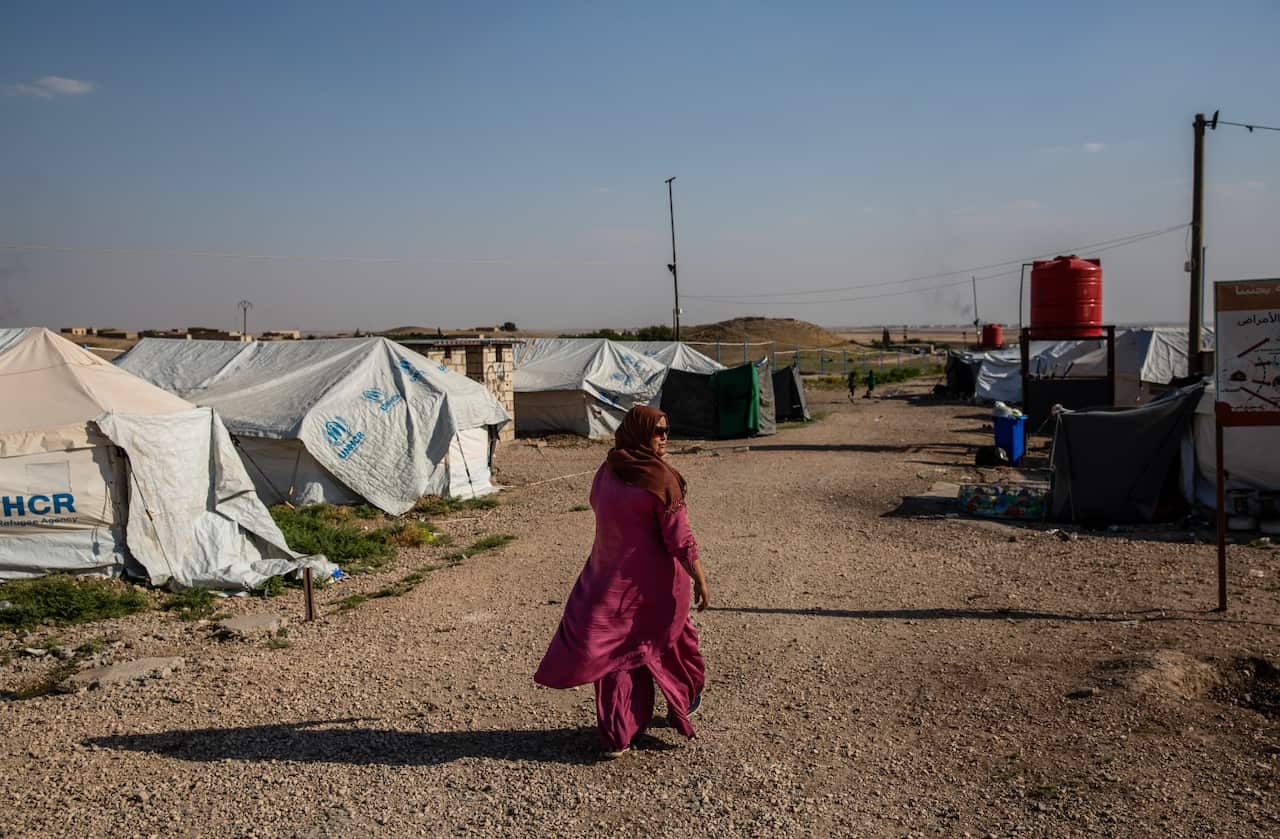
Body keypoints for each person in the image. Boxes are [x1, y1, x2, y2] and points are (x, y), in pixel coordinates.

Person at [535, 406, 710, 757]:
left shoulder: (608, 470)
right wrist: (701, 581)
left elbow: (599, 506)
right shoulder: (661, 480)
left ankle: (621, 732)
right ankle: (680, 701)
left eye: (667, 430)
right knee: (671, 646)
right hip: (656, 588)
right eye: (658, 431)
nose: (665, 437)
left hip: (607, 582)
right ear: (640, 433)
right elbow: (681, 540)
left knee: (618, 657)